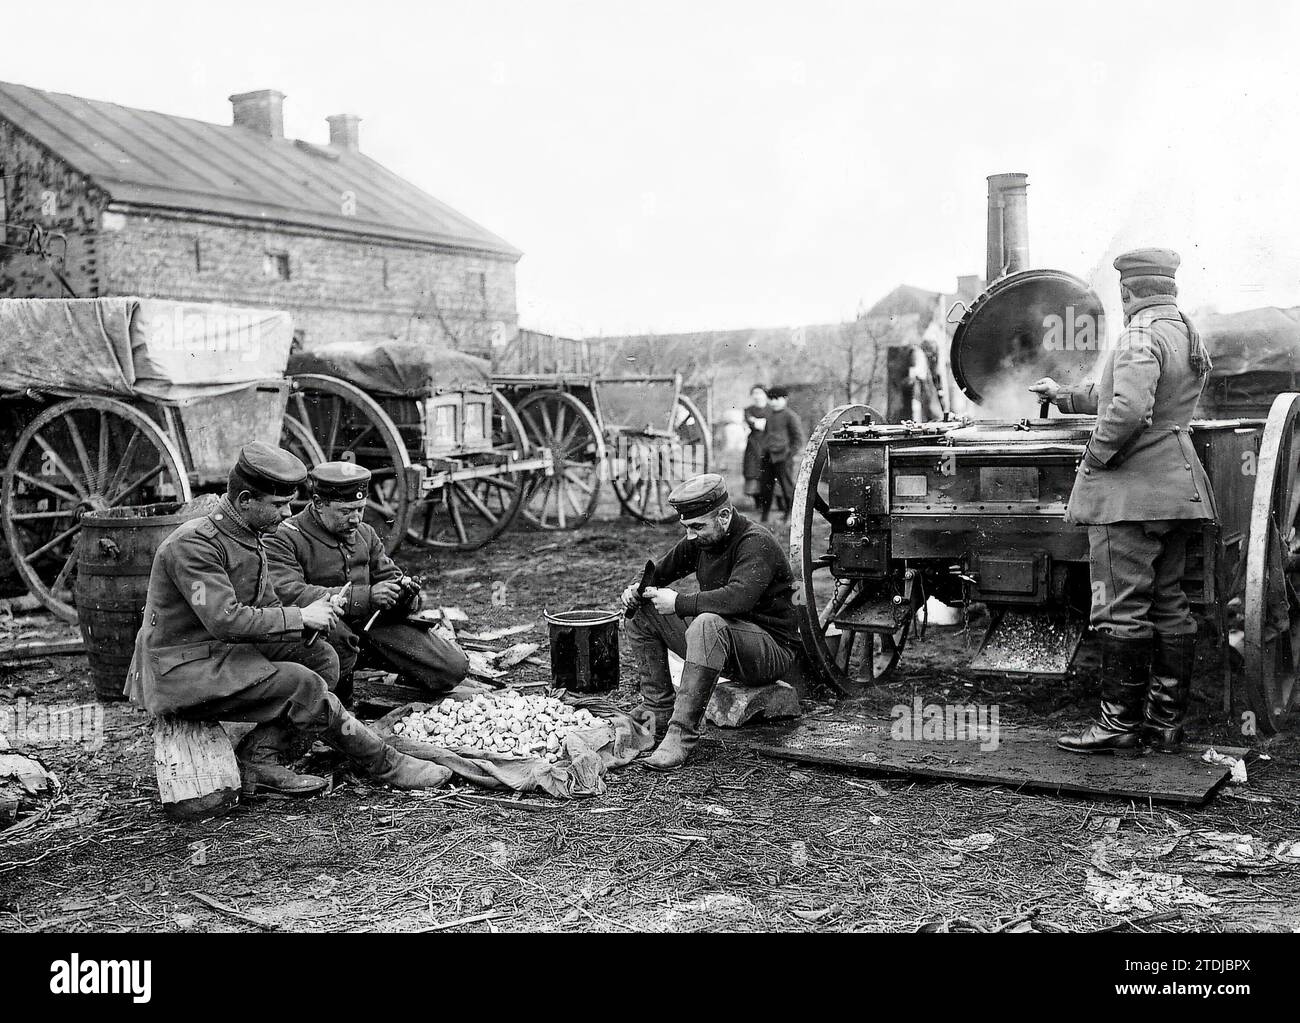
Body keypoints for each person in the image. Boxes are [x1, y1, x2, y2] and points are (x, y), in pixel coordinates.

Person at [124, 443, 451, 796]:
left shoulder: (248, 535)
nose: (286, 513)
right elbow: (225, 621)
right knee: (301, 683)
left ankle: (261, 759)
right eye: (278, 505)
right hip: (182, 671)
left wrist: (308, 626)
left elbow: (265, 606)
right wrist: (300, 616)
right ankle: (383, 762)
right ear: (246, 500)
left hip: (219, 656)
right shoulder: (193, 546)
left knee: (323, 658)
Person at [1029, 248, 1215, 753]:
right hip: (1175, 490)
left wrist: (1094, 457)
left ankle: (1118, 726)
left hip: (1129, 495)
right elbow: (1121, 394)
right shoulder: (1182, 332)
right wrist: (1065, 394)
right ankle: (1164, 724)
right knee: (1170, 601)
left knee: (1120, 607)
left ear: (1128, 292)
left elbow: (1129, 408)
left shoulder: (1137, 335)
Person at [621, 473, 801, 771]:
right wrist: (637, 589)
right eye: (686, 527)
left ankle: (681, 734)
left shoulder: (756, 543)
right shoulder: (703, 538)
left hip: (768, 652)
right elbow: (660, 571)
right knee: (644, 610)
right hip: (721, 643)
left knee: (706, 623)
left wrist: (678, 603)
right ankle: (658, 706)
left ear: (725, 515)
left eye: (697, 526)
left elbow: (737, 599)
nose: (690, 535)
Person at [265, 461, 469, 705]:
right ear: (318, 503)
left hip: (369, 628)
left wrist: (404, 594)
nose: (355, 519)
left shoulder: (365, 533)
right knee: (338, 641)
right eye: (346, 511)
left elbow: (388, 575)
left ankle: (382, 668)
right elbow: (292, 593)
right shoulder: (284, 536)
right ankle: (339, 706)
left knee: (452, 667)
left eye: (360, 509)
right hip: (321, 631)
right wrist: (368, 596)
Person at [757, 385, 805, 523]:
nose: (773, 402)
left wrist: (789, 454)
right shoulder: (769, 415)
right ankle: (764, 516)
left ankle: (789, 515)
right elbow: (766, 434)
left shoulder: (790, 416)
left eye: (777, 399)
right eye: (771, 399)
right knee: (766, 487)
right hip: (768, 456)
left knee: (786, 487)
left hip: (783, 457)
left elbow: (798, 440)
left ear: (785, 399)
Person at [741, 385, 768, 506]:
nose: (757, 396)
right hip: (753, 443)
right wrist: (759, 422)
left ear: (765, 394)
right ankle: (757, 500)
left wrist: (758, 422)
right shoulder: (749, 409)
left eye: (760, 393)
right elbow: (751, 422)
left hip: (768, 442)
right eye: (754, 393)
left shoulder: (770, 409)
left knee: (768, 469)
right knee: (753, 469)